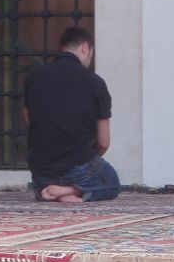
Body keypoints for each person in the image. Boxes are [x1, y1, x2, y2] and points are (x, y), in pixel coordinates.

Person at [22, 27, 121, 203]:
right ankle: (73, 190)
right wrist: (88, 158)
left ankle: (52, 192)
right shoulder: (95, 82)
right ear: (85, 47)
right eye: (91, 53)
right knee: (112, 183)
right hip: (78, 165)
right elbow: (103, 142)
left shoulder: (34, 77)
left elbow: (29, 118)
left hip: (41, 168)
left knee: (43, 187)